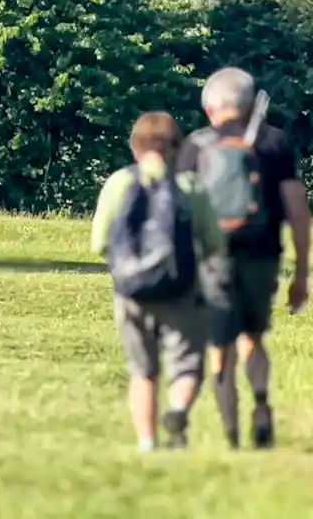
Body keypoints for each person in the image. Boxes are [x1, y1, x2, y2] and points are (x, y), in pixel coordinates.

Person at [181, 67, 312, 450]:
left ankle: (232, 436)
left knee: (220, 349)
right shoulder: (273, 144)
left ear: (210, 109)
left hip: (214, 260)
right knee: (253, 338)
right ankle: (261, 402)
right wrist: (301, 272)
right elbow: (297, 209)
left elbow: (179, 214)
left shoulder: (196, 146)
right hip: (262, 255)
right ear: (252, 103)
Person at [89, 112, 226, 453]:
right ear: (176, 149)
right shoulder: (190, 187)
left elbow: (99, 243)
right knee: (186, 366)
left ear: (136, 148)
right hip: (180, 291)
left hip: (132, 293)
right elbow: (214, 245)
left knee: (143, 371)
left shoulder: (119, 183)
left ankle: (147, 444)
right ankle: (178, 412)